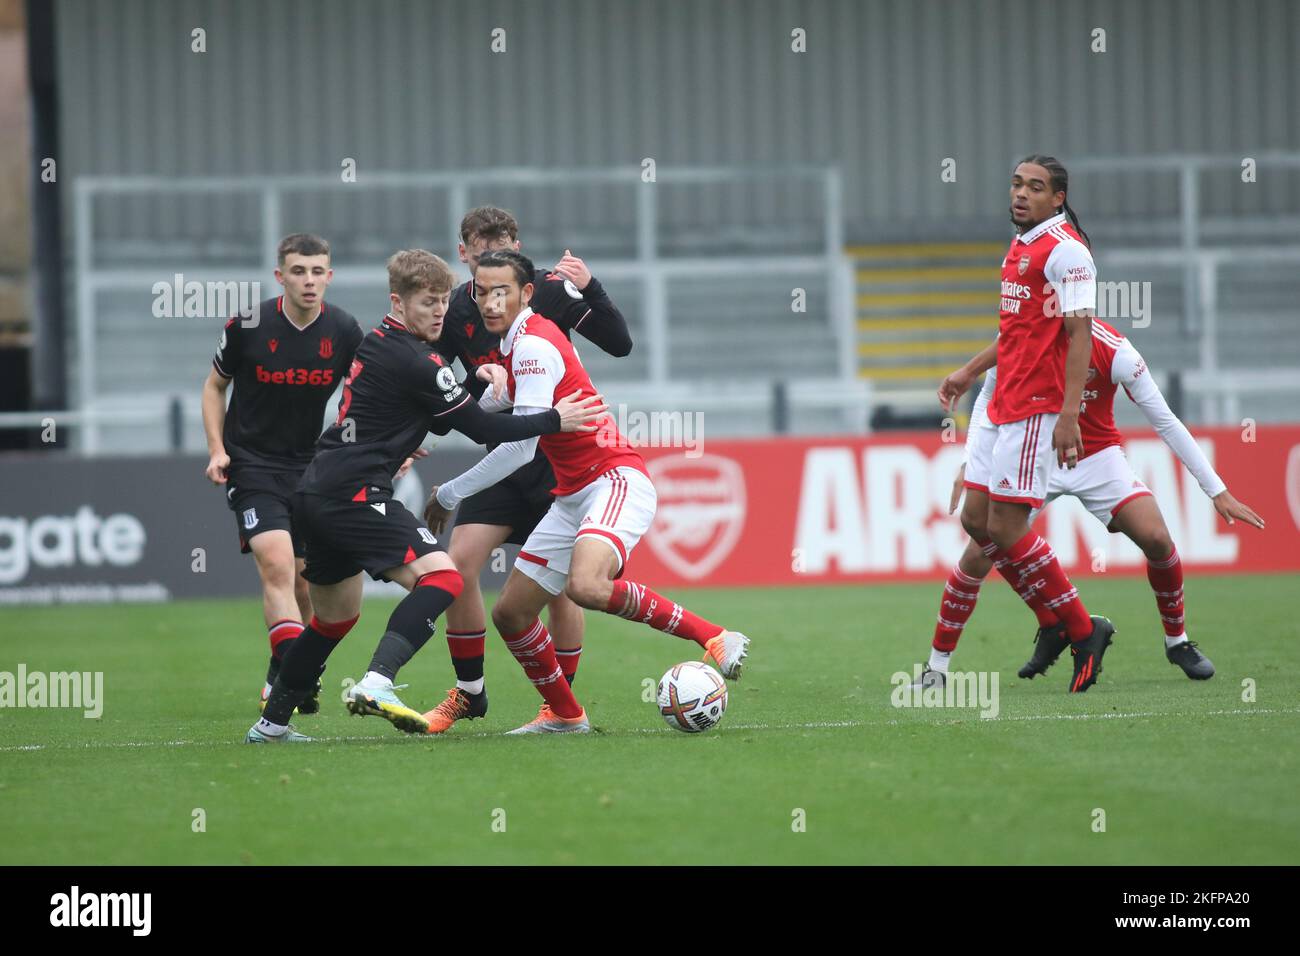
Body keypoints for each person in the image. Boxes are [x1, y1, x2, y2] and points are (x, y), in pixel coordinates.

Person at [247, 250, 605, 742]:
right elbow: (478, 426)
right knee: (443, 577)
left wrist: (477, 387)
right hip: (353, 493)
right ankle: (377, 682)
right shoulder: (418, 358)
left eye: (443, 301)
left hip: (316, 492)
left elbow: (437, 411)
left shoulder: (382, 344)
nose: (439, 312)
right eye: (426, 303)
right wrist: (554, 420)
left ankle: (270, 726)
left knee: (333, 619)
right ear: (398, 301)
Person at [423, 249, 749, 735]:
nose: (489, 303)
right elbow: (490, 405)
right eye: (482, 291)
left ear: (526, 293)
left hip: (612, 478)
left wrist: (448, 493)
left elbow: (517, 449)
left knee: (586, 587)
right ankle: (565, 714)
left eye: (502, 292)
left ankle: (716, 637)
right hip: (574, 494)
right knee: (511, 613)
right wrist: (469, 394)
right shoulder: (518, 345)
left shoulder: (532, 345)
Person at [916, 321, 1265, 687]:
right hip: (1039, 454)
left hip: (1097, 457)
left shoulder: (1116, 352)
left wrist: (1216, 489)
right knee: (978, 553)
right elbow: (988, 397)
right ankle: (938, 668)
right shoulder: (1024, 335)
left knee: (1157, 538)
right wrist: (972, 461)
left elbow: (1166, 421)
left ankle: (1177, 642)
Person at [421, 206, 633, 733]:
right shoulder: (452, 312)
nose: (494, 251)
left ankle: (559, 705)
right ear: (463, 251)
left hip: (555, 462)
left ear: (519, 249)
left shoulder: (548, 292)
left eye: (505, 242)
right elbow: (438, 384)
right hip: (506, 458)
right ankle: (470, 691)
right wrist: (476, 383)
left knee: (560, 588)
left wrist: (594, 287)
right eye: (482, 243)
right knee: (458, 564)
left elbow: (620, 344)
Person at [957, 154, 1114, 694]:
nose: (1021, 193)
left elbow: (1080, 335)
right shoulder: (1022, 245)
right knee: (976, 521)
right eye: (1017, 183)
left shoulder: (1067, 251)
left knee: (1004, 528)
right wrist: (969, 372)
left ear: (1058, 198)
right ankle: (1053, 622)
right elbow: (1018, 333)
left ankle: (1080, 628)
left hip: (1036, 406)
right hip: (1002, 403)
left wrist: (1070, 415)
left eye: (1036, 187)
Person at [201, 233, 362, 713]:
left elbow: (369, 393)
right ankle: (297, 680)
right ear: (280, 277)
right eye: (298, 271)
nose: (308, 281)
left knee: (305, 582)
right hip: (251, 463)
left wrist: (395, 443)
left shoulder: (345, 330)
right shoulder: (249, 325)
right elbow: (214, 387)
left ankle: (282, 674)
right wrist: (216, 450)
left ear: (329, 277)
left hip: (311, 466)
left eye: (317, 272)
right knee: (276, 563)